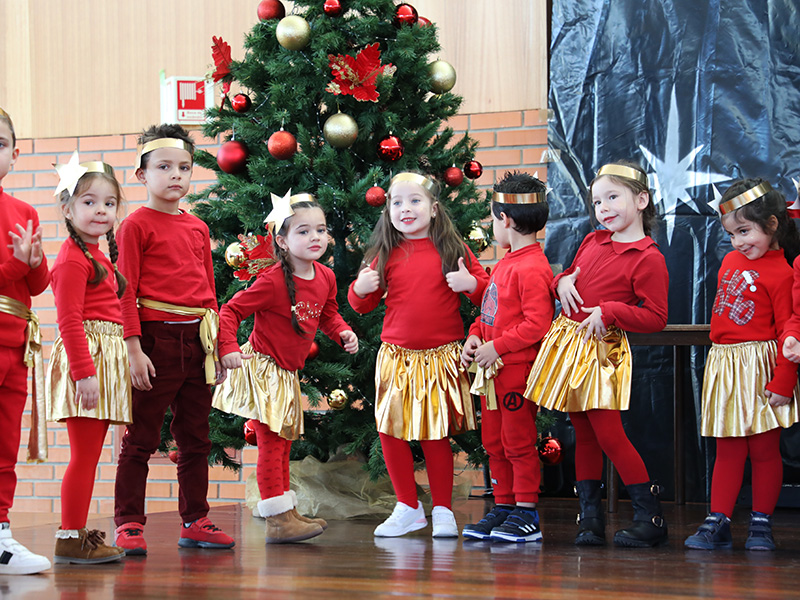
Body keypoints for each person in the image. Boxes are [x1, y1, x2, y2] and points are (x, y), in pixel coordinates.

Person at [525, 161, 669, 547]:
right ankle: (589, 518)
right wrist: (562, 280)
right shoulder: (593, 240)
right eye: (597, 201)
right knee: (582, 433)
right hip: (569, 346)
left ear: (641, 200)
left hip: (601, 352)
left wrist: (610, 311)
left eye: (612, 197)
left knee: (610, 435)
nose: (603, 207)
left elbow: (655, 316)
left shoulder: (648, 257)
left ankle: (650, 516)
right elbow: (569, 277)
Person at [113, 124, 234, 555]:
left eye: (184, 167)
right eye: (164, 167)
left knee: (196, 438)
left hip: (197, 340)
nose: (176, 176)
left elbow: (209, 292)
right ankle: (128, 522)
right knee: (142, 437)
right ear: (142, 174)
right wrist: (133, 347)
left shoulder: (198, 228)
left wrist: (217, 346)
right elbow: (125, 289)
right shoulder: (134, 226)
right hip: (155, 340)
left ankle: (195, 519)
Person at [349, 172, 489, 538]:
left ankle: (442, 508)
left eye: (414, 201)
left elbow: (488, 296)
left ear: (434, 208)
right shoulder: (385, 252)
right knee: (390, 431)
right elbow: (361, 304)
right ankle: (408, 506)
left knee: (435, 433)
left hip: (442, 356)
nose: (405, 209)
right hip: (397, 356)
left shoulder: (453, 250)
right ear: (388, 211)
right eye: (397, 202)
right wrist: (359, 289)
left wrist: (472, 285)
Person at [213, 192, 358, 544]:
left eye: (321, 230)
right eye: (304, 232)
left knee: (284, 444)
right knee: (272, 445)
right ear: (282, 240)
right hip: (264, 370)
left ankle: (284, 512)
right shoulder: (273, 281)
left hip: (286, 373)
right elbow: (230, 311)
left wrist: (343, 332)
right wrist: (228, 348)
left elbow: (327, 314)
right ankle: (278, 519)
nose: (315, 238)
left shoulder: (324, 276)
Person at [686, 178, 800, 551]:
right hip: (726, 364)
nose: (737, 242)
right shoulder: (731, 261)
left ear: (771, 225)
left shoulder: (784, 272)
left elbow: (789, 330)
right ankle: (718, 519)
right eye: (732, 234)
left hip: (761, 366)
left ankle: (761, 523)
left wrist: (784, 380)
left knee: (764, 450)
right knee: (728, 448)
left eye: (745, 231)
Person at [460, 172, 554, 543]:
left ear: (507, 220)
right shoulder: (505, 264)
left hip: (515, 372)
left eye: (493, 219)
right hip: (492, 373)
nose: (493, 228)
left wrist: (496, 347)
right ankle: (504, 505)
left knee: (517, 441)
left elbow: (537, 324)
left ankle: (526, 512)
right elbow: (489, 314)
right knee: (494, 442)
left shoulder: (532, 267)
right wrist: (473, 337)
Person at [46, 155, 131, 564]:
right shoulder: (71, 260)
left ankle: (76, 532)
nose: (100, 210)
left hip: (104, 358)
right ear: (67, 208)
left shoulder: (98, 256)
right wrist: (84, 374)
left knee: (92, 455)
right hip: (87, 362)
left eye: (109, 203)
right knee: (83, 456)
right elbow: (68, 320)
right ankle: (69, 536)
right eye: (89, 202)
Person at [0, 107, 52, 574]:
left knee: (5, 445)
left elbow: (36, 287)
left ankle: (0, 537)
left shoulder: (24, 211)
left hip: (15, 345)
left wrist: (34, 262)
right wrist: (18, 265)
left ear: (14, 155)